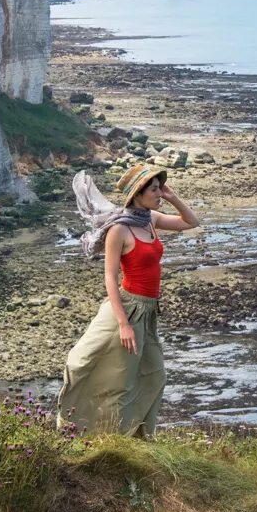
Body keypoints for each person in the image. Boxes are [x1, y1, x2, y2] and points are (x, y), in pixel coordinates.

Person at [56, 162, 200, 436]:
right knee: (104, 373)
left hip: (148, 311)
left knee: (154, 374)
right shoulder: (119, 230)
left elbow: (191, 222)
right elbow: (110, 277)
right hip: (127, 308)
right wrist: (123, 323)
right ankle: (90, 432)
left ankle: (140, 435)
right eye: (154, 189)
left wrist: (172, 197)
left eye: (160, 189)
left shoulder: (151, 219)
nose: (159, 194)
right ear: (138, 193)